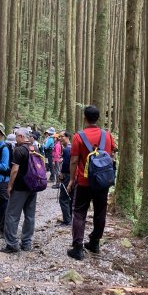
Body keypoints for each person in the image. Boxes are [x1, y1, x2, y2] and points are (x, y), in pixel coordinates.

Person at [67, 105, 116, 260]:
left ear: (85, 118)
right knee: (100, 212)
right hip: (102, 182)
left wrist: (71, 179)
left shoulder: (78, 136)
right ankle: (95, 243)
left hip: (84, 181)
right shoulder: (107, 135)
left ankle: (78, 247)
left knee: (79, 212)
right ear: (98, 118)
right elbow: (112, 152)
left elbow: (74, 160)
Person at [1, 128, 37, 253]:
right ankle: (26, 243)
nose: (15, 138)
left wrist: (10, 185)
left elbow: (15, 170)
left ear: (21, 136)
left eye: (16, 136)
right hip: (33, 186)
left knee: (12, 215)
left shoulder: (19, 150)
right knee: (30, 216)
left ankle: (12, 244)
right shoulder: (34, 148)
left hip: (20, 188)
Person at [57, 131, 72, 226]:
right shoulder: (72, 147)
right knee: (71, 197)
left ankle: (67, 220)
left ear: (67, 137)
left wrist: (61, 174)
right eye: (59, 137)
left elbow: (66, 164)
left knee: (63, 198)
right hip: (73, 175)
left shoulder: (67, 150)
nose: (59, 138)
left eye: (61, 136)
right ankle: (71, 217)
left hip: (67, 175)